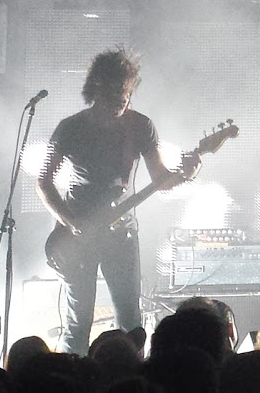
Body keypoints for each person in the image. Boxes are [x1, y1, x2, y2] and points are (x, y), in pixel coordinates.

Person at [37, 47, 196, 354]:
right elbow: (43, 181)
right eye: (114, 93)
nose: (122, 99)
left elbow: (160, 180)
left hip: (121, 234)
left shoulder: (140, 126)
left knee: (130, 322)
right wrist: (71, 223)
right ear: (96, 89)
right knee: (77, 322)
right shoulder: (71, 127)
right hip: (76, 234)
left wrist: (189, 172)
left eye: (126, 92)